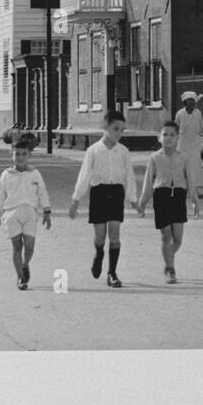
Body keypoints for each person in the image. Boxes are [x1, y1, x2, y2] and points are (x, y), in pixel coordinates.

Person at [67, 110, 138, 288]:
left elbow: (129, 175)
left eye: (122, 130)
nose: (119, 133)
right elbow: (84, 176)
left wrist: (133, 199)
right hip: (98, 193)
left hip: (116, 193)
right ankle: (99, 254)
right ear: (105, 127)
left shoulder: (123, 152)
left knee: (114, 235)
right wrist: (76, 200)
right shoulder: (93, 151)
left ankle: (112, 273)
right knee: (100, 237)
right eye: (115, 129)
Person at [138, 121, 200, 283]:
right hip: (161, 196)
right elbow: (148, 182)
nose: (168, 138)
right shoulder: (155, 158)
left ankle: (168, 257)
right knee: (166, 237)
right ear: (160, 137)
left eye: (172, 134)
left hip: (178, 197)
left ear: (178, 137)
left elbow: (191, 180)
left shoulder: (183, 158)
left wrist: (194, 200)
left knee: (178, 239)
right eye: (165, 134)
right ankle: (170, 269)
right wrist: (143, 202)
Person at [0, 129, 52, 289]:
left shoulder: (35, 174)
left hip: (30, 213)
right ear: (12, 155)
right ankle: (20, 278)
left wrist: (47, 212)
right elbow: (0, 193)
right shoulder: (6, 174)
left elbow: (42, 192)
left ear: (29, 155)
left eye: (24, 154)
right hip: (11, 214)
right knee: (17, 246)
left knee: (30, 246)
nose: (20, 157)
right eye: (17, 154)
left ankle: (25, 265)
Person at [175, 91, 203, 199]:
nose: (191, 104)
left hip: (194, 144)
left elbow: (201, 128)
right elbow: (176, 128)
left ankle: (195, 190)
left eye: (193, 101)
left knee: (195, 167)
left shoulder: (198, 113)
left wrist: (199, 142)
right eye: (189, 101)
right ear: (185, 103)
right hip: (182, 143)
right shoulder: (180, 114)